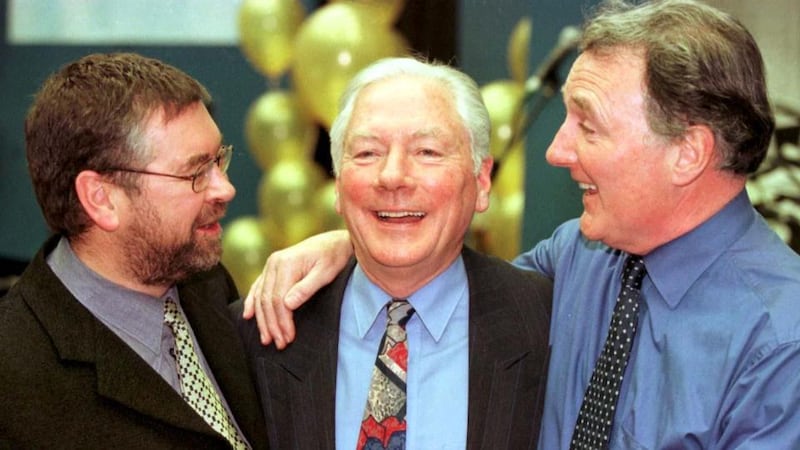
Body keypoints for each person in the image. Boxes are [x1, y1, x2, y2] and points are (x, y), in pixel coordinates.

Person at [243, 0, 800, 448]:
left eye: (589, 124)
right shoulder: (581, 254)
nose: (557, 150)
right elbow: (442, 279)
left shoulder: (781, 342)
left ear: (688, 153)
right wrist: (361, 237)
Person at [234, 57, 553, 449]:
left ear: (482, 181)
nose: (393, 177)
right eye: (367, 153)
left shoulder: (549, 325)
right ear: (337, 183)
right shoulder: (259, 335)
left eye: (428, 152)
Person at [0, 53, 267, 449]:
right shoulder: (15, 382)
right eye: (196, 173)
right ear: (102, 198)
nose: (224, 189)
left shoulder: (205, 283)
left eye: (218, 160)